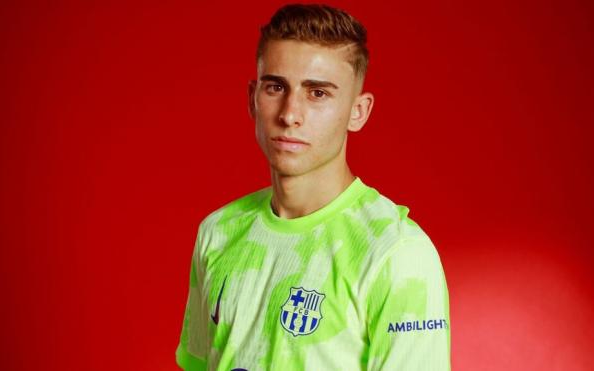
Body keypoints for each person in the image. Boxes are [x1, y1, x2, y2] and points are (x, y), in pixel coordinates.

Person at [176, 4, 450, 370]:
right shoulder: (218, 232)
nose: (290, 114)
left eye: (317, 93)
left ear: (358, 111)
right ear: (252, 99)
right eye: (275, 87)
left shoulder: (396, 252)